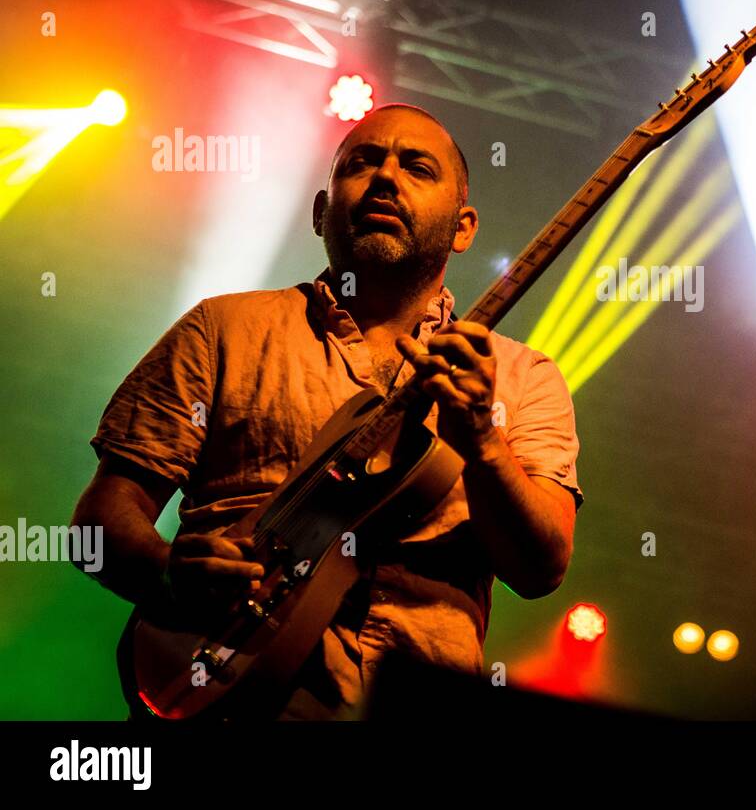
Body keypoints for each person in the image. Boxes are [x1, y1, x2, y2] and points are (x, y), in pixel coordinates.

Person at [70, 103, 582, 719]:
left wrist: (482, 441)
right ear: (320, 211)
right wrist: (165, 570)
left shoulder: (524, 379)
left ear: (464, 226)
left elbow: (541, 568)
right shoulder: (222, 329)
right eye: (363, 163)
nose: (386, 178)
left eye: (418, 168)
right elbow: (100, 521)